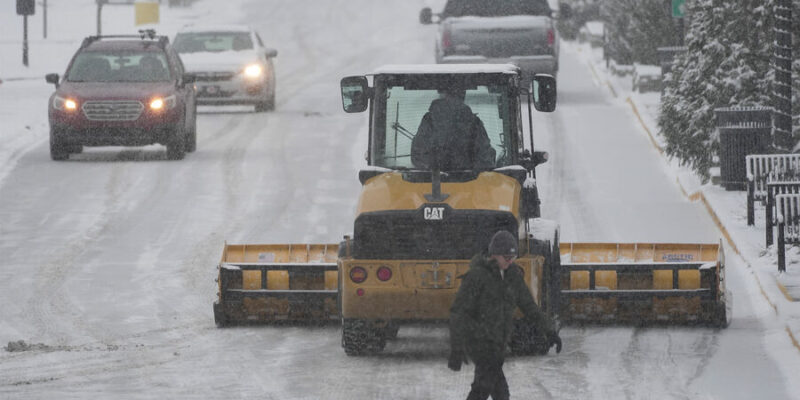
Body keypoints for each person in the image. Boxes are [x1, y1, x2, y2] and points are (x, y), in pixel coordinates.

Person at [448, 230, 562, 400]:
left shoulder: (513, 276)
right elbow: (459, 313)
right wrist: (456, 348)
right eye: (506, 257)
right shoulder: (477, 276)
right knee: (487, 388)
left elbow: (529, 306)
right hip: (479, 341)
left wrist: (549, 331)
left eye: (513, 257)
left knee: (491, 390)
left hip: (498, 342)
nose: (510, 261)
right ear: (494, 255)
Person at [411, 87, 495, 170]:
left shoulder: (429, 120)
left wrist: (434, 171)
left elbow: (418, 155)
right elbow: (485, 159)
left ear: (443, 94)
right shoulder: (474, 123)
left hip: (432, 181)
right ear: (462, 96)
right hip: (470, 182)